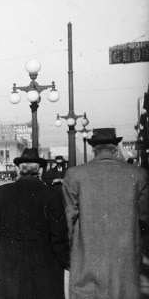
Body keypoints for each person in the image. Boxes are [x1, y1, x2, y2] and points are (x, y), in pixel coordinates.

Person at [62, 127, 149, 299]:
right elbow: (144, 220)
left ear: (94, 149)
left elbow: (69, 219)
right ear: (115, 148)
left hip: (87, 258)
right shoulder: (138, 175)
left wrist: (70, 254)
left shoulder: (75, 175)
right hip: (125, 260)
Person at [0, 148, 69, 299]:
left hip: (9, 263)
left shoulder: (1, 192)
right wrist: (64, 260)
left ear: (19, 169)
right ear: (40, 170)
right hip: (44, 263)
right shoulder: (52, 194)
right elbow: (59, 235)